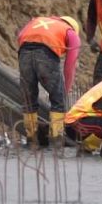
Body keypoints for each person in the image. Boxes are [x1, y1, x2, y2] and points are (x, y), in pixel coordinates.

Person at [18, 15, 81, 147]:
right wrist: (65, 91)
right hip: (46, 53)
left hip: (23, 52)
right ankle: (56, 139)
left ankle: (32, 140)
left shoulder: (37, 20)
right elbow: (70, 65)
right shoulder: (70, 32)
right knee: (58, 99)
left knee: (29, 99)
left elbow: (20, 36)